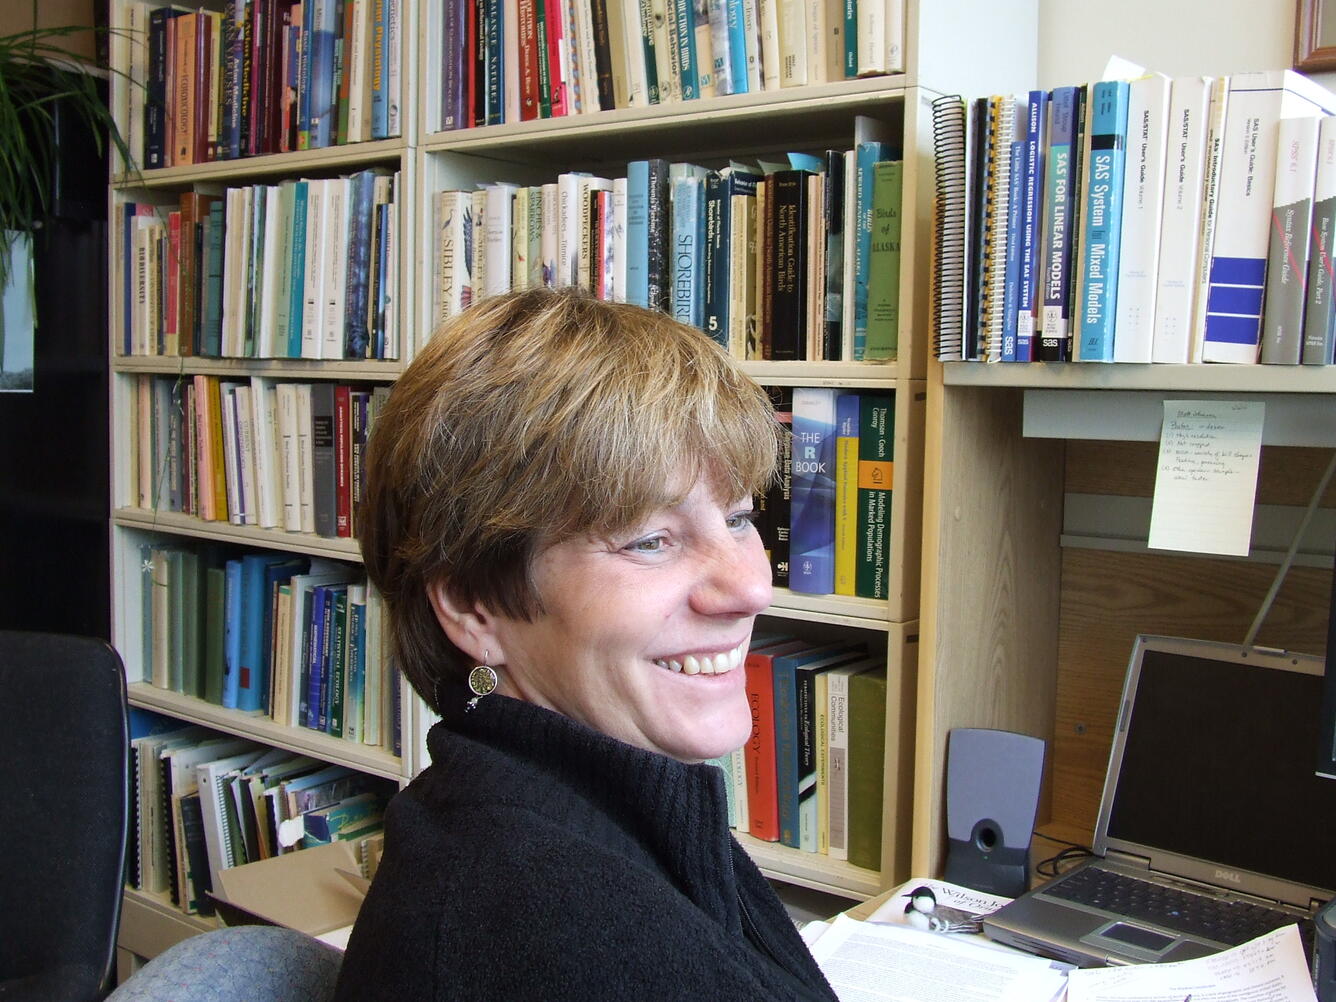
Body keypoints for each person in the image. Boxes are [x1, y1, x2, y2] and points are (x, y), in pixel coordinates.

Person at [334, 289, 838, 1001]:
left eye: (737, 518)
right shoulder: (553, 927)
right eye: (649, 540)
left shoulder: (591, 817)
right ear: (475, 606)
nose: (752, 588)